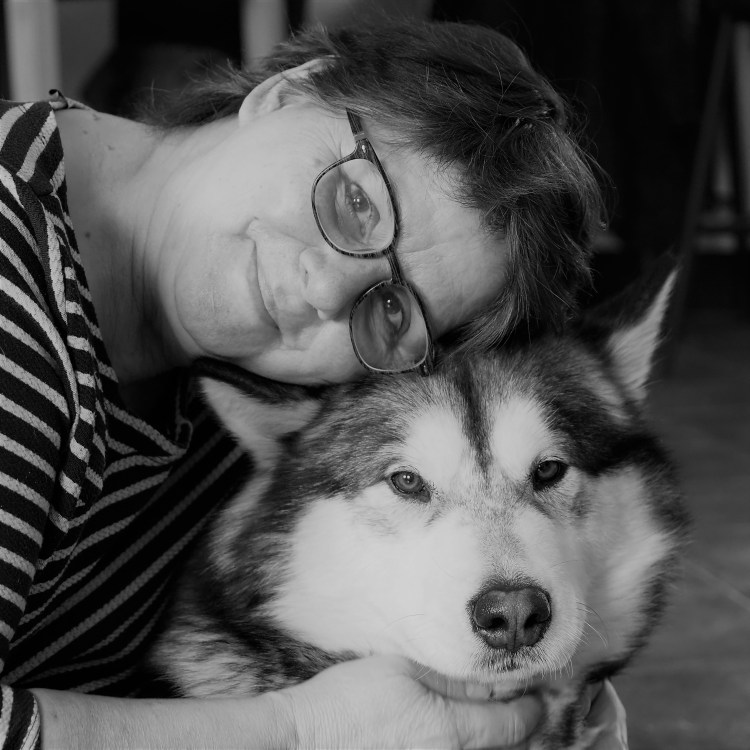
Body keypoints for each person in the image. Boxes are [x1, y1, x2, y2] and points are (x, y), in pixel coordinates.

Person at [0, 17, 624, 749]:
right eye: (358, 205)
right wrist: (296, 731)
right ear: (291, 93)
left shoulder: (263, 377)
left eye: (392, 309)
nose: (327, 290)